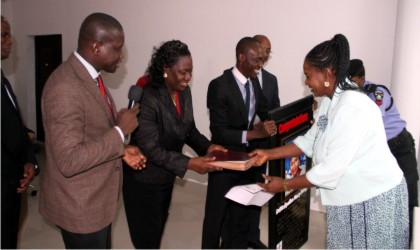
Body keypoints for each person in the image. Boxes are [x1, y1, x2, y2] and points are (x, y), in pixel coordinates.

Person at [251, 34, 409, 249]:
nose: (306, 83)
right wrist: (268, 154)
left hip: (372, 199)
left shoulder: (353, 107)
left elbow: (329, 171)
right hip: (350, 196)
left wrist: (285, 185)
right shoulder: (330, 101)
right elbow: (308, 141)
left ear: (326, 74)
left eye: (308, 76)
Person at [39, 13, 146, 249]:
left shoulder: (91, 77)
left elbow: (90, 134)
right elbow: (69, 159)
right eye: (117, 48)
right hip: (81, 209)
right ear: (96, 46)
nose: (122, 55)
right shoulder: (65, 87)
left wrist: (122, 148)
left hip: (98, 203)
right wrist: (119, 133)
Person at [122, 40, 226, 249]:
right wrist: (190, 163)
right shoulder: (149, 97)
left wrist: (208, 147)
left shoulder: (183, 92)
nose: (188, 78)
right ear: (165, 69)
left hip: (166, 177)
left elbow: (188, 130)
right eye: (183, 72)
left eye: (190, 72)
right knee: (146, 239)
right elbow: (150, 148)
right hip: (144, 180)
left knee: (156, 231)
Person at [202, 37, 277, 249]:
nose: (260, 65)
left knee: (242, 213)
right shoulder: (219, 86)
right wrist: (253, 134)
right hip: (224, 161)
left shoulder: (254, 82)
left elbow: (266, 111)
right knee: (215, 217)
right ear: (241, 56)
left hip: (247, 160)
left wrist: (293, 117)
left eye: (262, 60)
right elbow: (219, 132)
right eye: (255, 60)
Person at [349, 58, 419, 243]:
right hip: (382, 150)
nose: (349, 85)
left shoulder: (377, 92)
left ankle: (408, 243)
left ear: (362, 77)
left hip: (400, 148)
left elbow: (374, 121)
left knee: (409, 199)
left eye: (353, 80)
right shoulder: (353, 96)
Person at [1, 15, 39, 249]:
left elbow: (16, 126)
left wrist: (29, 160)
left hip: (13, 181)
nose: (10, 41)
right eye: (3, 35)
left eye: (9, 35)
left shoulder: (3, 79)